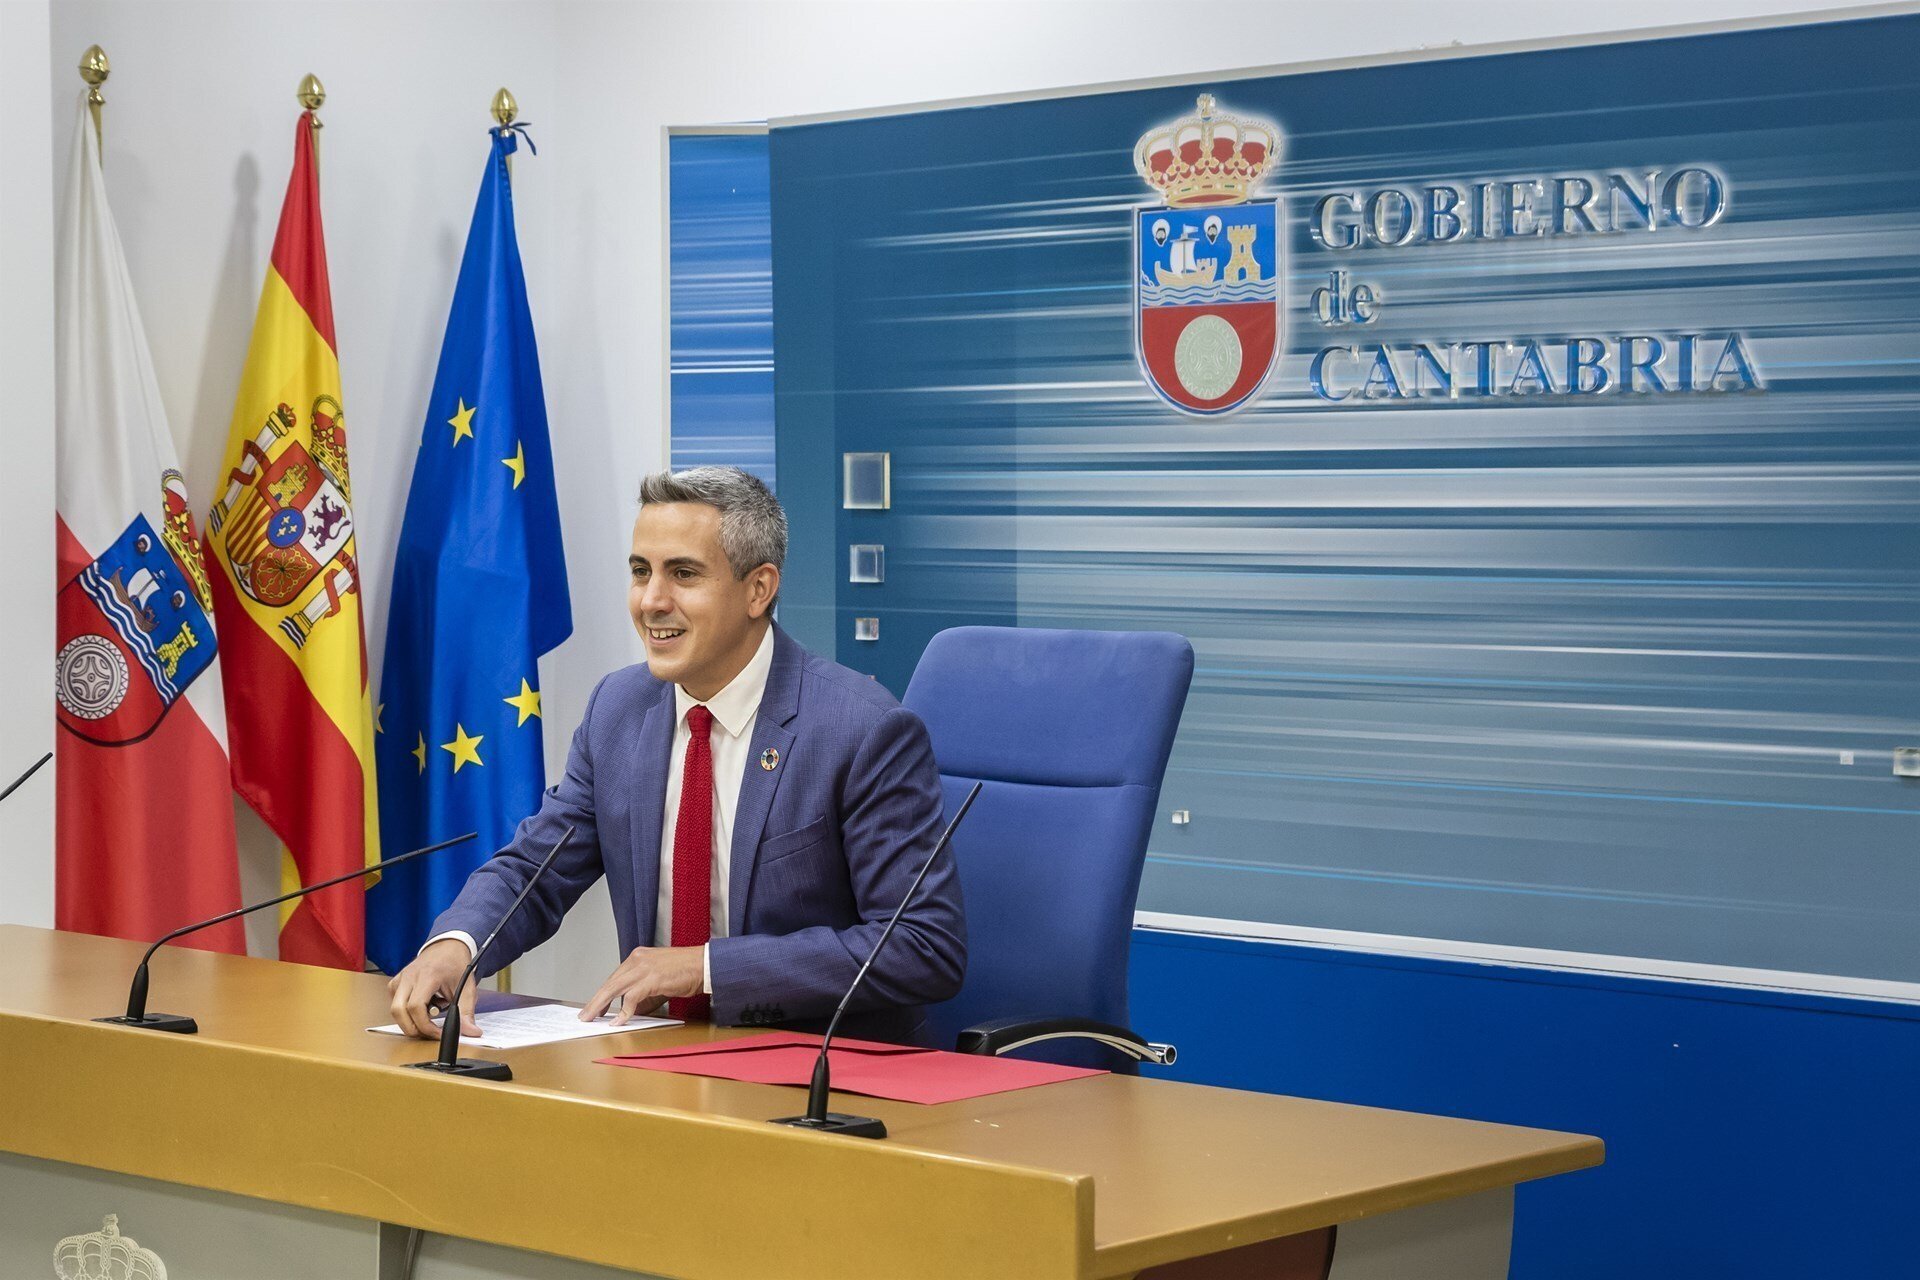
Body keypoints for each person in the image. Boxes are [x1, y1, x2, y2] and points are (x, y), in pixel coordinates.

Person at [387, 466, 965, 1044]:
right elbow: (538, 868)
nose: (652, 601)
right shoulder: (618, 707)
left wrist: (705, 968)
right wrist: (457, 944)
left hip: (816, 1062)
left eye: (683, 574)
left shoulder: (861, 729)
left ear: (758, 590)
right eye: (641, 572)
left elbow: (923, 944)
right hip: (656, 1053)